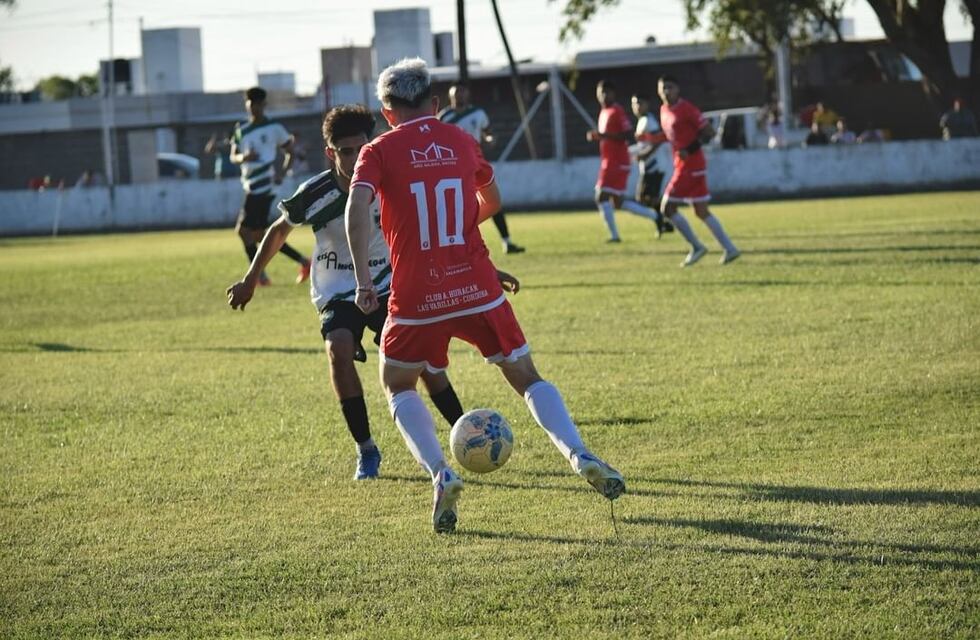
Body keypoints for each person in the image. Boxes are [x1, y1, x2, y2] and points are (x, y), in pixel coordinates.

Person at [346, 58, 625, 534]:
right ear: (435, 104)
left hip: (417, 292)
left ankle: (441, 473)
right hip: (477, 283)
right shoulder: (461, 140)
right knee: (526, 376)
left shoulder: (376, 151)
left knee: (397, 384)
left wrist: (364, 282)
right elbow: (492, 202)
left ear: (386, 111)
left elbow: (356, 206)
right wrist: (460, 235)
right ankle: (578, 453)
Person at [226, 104, 500, 480]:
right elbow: (277, 232)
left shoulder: (389, 183)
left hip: (391, 284)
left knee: (424, 365)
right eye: (345, 151)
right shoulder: (316, 193)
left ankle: (469, 433)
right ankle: (367, 450)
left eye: (360, 148)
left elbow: (435, 227)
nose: (355, 159)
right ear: (330, 153)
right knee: (337, 349)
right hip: (338, 289)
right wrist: (250, 278)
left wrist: (482, 267)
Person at [655, 74, 740, 266]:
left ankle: (697, 246)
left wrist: (690, 149)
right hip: (683, 165)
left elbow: (708, 132)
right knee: (701, 211)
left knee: (667, 207)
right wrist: (649, 140)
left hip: (691, 165)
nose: (666, 91)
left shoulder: (687, 109)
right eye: (663, 88)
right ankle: (730, 249)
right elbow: (671, 136)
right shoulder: (663, 110)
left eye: (670, 87)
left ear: (678, 90)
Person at [230, 86, 311, 286]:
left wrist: (282, 173)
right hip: (250, 185)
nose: (254, 108)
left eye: (258, 104)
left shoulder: (274, 128)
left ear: (264, 105)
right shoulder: (241, 131)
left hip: (263, 186)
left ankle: (260, 276)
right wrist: (244, 157)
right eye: (251, 103)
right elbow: (233, 156)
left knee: (244, 231)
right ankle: (303, 261)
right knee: (258, 234)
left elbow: (290, 151)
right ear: (247, 104)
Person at [438, 83, 526, 254]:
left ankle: (506, 241)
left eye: (462, 93)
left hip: (476, 163)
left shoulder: (478, 114)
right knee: (455, 205)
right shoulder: (444, 117)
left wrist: (490, 139)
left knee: (491, 200)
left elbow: (488, 132)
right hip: (452, 167)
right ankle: (453, 242)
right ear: (450, 96)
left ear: (467, 94)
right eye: (456, 94)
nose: (459, 96)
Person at [587, 79, 667, 243]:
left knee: (601, 196)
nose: (602, 96)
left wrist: (602, 136)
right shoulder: (604, 112)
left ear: (612, 93)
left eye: (606, 92)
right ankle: (655, 216)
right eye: (600, 92)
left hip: (618, 161)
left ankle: (615, 236)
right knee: (617, 202)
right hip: (610, 160)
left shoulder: (617, 111)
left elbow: (627, 133)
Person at [630, 92, 672, 233]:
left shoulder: (649, 121)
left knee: (644, 198)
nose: (637, 107)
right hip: (649, 165)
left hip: (655, 164)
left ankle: (663, 221)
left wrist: (645, 154)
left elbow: (659, 140)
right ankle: (664, 222)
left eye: (639, 103)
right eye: (634, 104)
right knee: (647, 198)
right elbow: (646, 143)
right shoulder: (642, 121)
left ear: (647, 104)